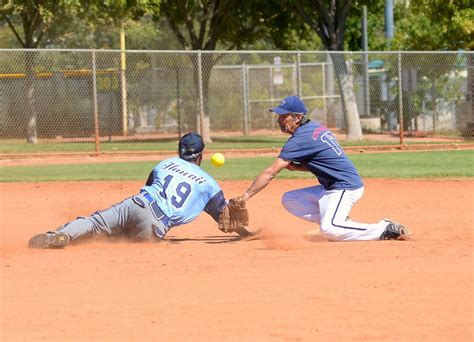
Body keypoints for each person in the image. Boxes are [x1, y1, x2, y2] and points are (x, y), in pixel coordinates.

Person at [240, 95, 411, 241]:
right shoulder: (314, 127)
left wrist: (245, 196)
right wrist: (298, 168)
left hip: (345, 186)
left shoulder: (300, 139)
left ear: (297, 117)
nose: (279, 120)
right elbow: (325, 162)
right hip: (333, 185)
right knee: (290, 199)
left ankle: (383, 229)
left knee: (330, 229)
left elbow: (270, 172)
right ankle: (340, 220)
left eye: (283, 116)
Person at [29, 132, 234, 248]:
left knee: (95, 223)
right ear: (202, 155)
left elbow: (150, 186)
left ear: (179, 152)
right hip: (155, 224)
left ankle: (59, 235)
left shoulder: (164, 164)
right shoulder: (209, 184)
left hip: (136, 203)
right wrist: (247, 232)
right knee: (125, 239)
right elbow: (226, 219)